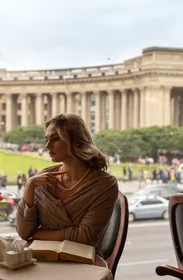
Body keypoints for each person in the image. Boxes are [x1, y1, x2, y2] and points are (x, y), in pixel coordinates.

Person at [16, 113, 118, 267]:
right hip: (43, 260)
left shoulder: (104, 185)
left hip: (84, 264)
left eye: (55, 139)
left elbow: (85, 238)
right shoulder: (42, 179)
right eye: (47, 139)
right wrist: (29, 186)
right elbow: (24, 232)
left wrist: (38, 234)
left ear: (76, 141)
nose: (47, 146)